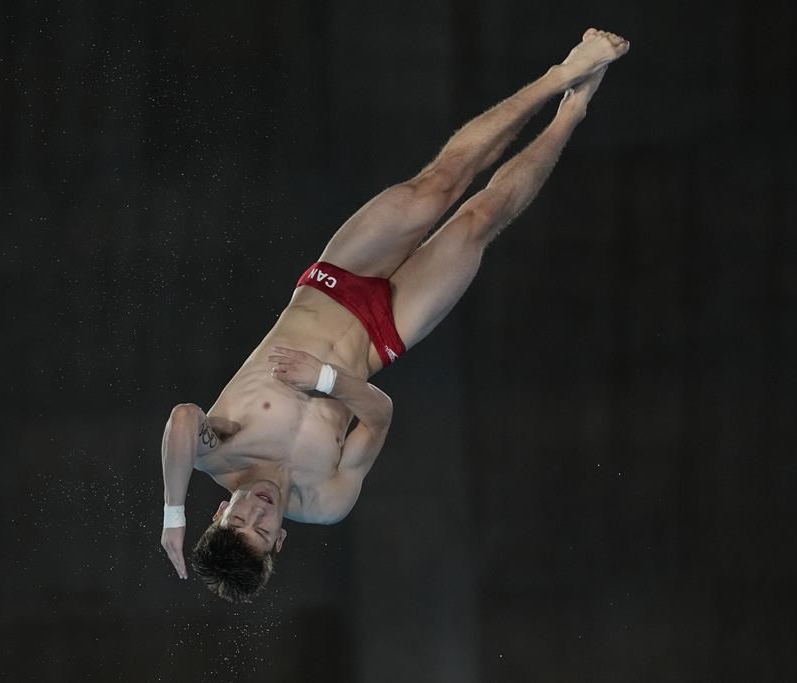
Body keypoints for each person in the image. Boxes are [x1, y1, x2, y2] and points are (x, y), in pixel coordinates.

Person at [160, 28, 630, 602]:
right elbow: (380, 416)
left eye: (237, 518)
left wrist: (172, 513)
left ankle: (561, 73)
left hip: (333, 284)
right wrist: (327, 381)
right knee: (479, 221)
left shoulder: (218, 452)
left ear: (220, 509)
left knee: (438, 185)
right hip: (385, 335)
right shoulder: (326, 500)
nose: (257, 510)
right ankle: (571, 111)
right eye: (262, 529)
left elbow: (183, 418)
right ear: (280, 540)